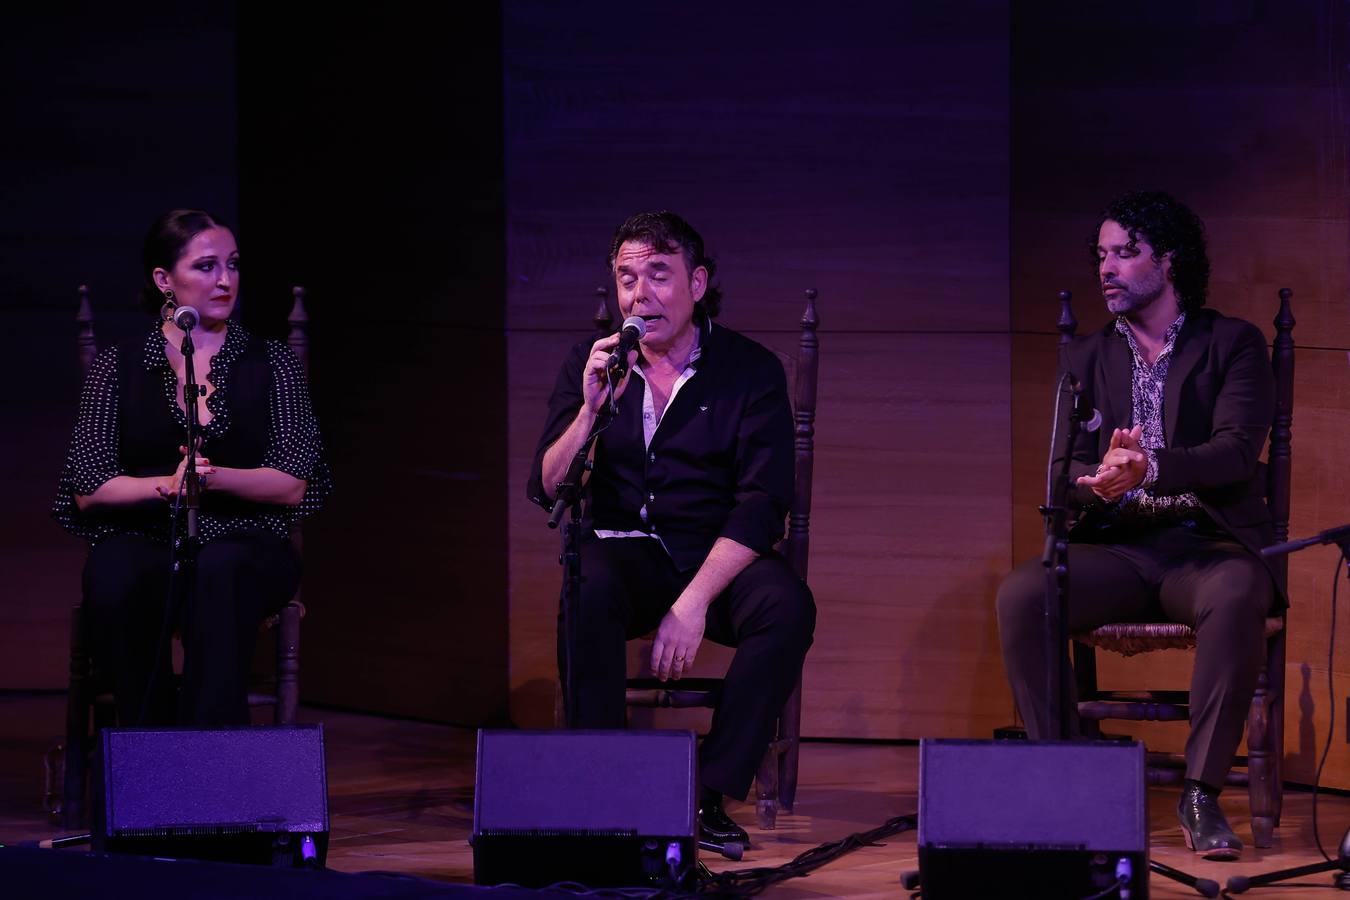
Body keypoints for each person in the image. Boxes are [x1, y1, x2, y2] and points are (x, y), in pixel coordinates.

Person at [996, 191, 1281, 860]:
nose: (1107, 268)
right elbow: (1064, 470)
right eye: (1101, 255)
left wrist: (1149, 467)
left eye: (1125, 253)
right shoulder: (1085, 358)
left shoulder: (1232, 344)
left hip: (1207, 546)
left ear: (1169, 260)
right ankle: (1071, 779)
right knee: (1024, 595)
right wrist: (1095, 483)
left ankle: (1200, 794)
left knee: (1238, 593)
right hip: (1120, 549)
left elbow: (1236, 453)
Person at [527, 211, 816, 845]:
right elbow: (547, 487)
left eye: (659, 275)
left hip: (716, 555)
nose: (640, 295)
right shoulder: (592, 364)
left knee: (787, 606)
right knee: (585, 583)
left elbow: (763, 503)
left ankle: (705, 795)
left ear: (698, 283)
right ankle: (605, 794)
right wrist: (590, 411)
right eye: (627, 278)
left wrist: (693, 602)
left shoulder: (750, 371)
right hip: (625, 556)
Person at [53, 208, 332, 727]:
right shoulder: (119, 365)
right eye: (207, 266)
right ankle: (146, 742)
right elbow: (90, 487)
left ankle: (210, 748)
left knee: (220, 571)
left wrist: (213, 478)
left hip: (245, 539)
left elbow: (293, 483)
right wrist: (168, 485)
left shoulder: (272, 362)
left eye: (233, 264)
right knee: (118, 574)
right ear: (164, 279)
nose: (226, 280)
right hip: (145, 535)